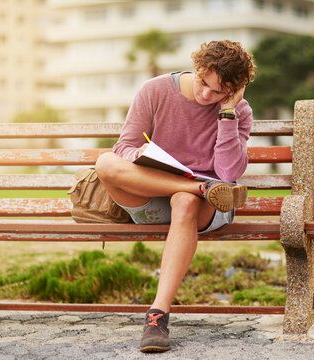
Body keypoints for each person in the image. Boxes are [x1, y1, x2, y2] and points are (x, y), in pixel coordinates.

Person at [95, 40, 256, 353]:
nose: (207, 95)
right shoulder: (155, 91)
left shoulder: (238, 112)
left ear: (235, 90)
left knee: (185, 201)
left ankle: (157, 316)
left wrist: (226, 114)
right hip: (156, 195)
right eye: (203, 83)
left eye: (219, 92)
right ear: (197, 68)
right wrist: (138, 153)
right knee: (105, 162)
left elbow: (226, 174)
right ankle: (193, 186)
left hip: (206, 205)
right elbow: (123, 147)